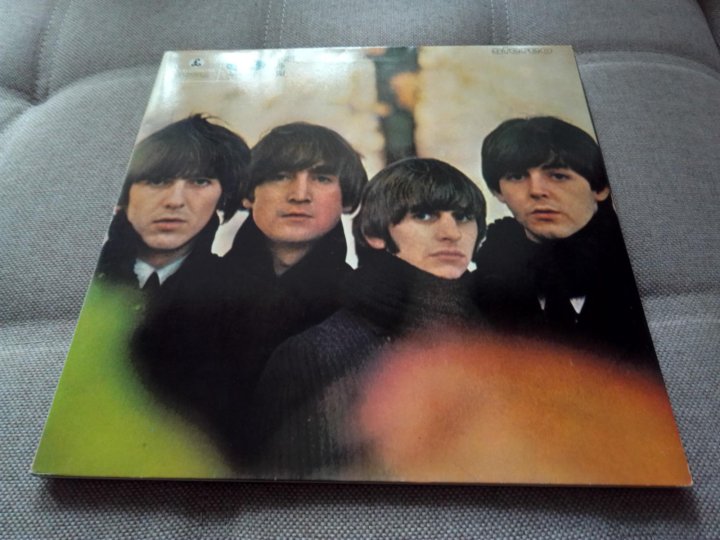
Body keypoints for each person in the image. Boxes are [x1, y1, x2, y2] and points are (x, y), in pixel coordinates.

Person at [132, 122, 368, 467]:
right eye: (280, 176)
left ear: (346, 197)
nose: (299, 194)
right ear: (248, 193)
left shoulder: (365, 303)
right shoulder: (185, 287)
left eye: (321, 178)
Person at [247, 157, 487, 477]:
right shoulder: (313, 356)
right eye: (424, 215)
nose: (451, 233)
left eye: (464, 217)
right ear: (375, 234)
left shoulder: (500, 345)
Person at [474, 116, 655, 362]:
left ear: (600, 188)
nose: (536, 191)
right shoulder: (481, 287)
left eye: (558, 176)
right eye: (516, 177)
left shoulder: (646, 265)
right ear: (498, 191)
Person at [95, 113, 250, 299]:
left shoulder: (240, 293)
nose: (175, 201)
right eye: (157, 181)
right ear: (125, 194)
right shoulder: (81, 272)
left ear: (223, 195)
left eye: (200, 181)